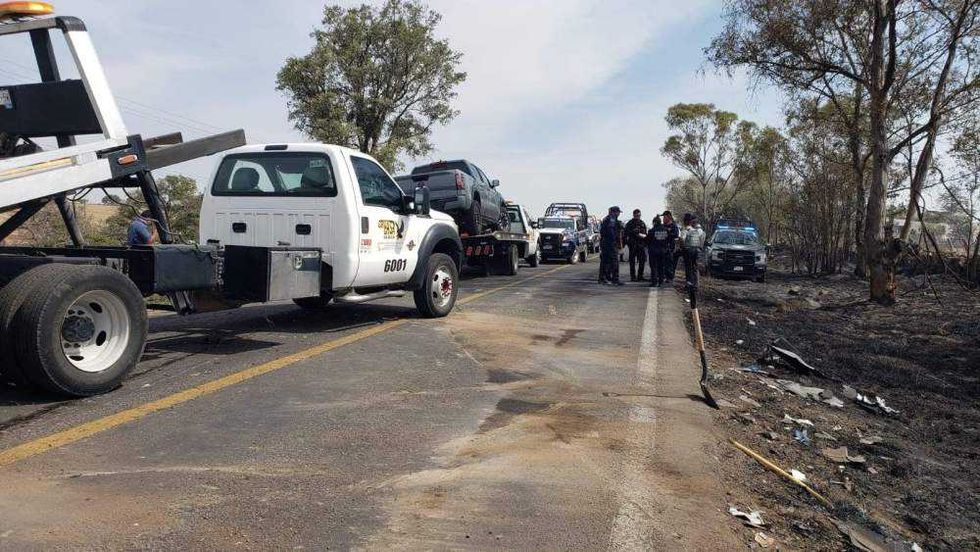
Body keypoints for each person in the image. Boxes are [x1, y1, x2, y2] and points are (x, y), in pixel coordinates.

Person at [675, 212, 706, 290]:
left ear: (685, 221)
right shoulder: (696, 230)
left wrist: (681, 247)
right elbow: (701, 239)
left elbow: (682, 239)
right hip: (696, 251)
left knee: (688, 268)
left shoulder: (685, 230)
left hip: (688, 251)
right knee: (695, 268)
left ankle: (689, 284)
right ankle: (696, 285)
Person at [599, 206, 624, 285]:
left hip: (605, 243)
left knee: (605, 262)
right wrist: (615, 241)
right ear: (614, 212)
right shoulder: (611, 219)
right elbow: (611, 231)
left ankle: (603, 278)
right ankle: (615, 279)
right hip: (610, 243)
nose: (619, 214)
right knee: (614, 262)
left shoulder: (606, 218)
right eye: (618, 212)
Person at [624, 209, 648, 281]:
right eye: (636, 215)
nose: (638, 217)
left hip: (641, 244)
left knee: (642, 261)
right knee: (632, 262)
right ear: (633, 215)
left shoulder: (642, 223)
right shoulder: (630, 223)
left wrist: (644, 239)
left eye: (639, 215)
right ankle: (633, 277)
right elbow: (626, 233)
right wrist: (633, 233)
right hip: (633, 244)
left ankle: (640, 276)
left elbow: (645, 234)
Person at [647, 215, 669, 287]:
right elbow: (667, 240)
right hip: (662, 251)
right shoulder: (665, 230)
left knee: (654, 267)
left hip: (653, 251)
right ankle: (661, 282)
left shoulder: (652, 231)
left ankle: (654, 282)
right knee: (661, 266)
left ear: (654, 222)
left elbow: (648, 240)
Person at [661, 210, 679, 281]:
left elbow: (676, 235)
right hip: (662, 247)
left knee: (670, 263)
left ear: (669, 217)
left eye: (664, 217)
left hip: (670, 247)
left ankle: (669, 277)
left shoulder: (673, 226)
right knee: (663, 263)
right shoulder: (662, 226)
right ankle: (663, 276)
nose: (663, 219)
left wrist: (668, 234)